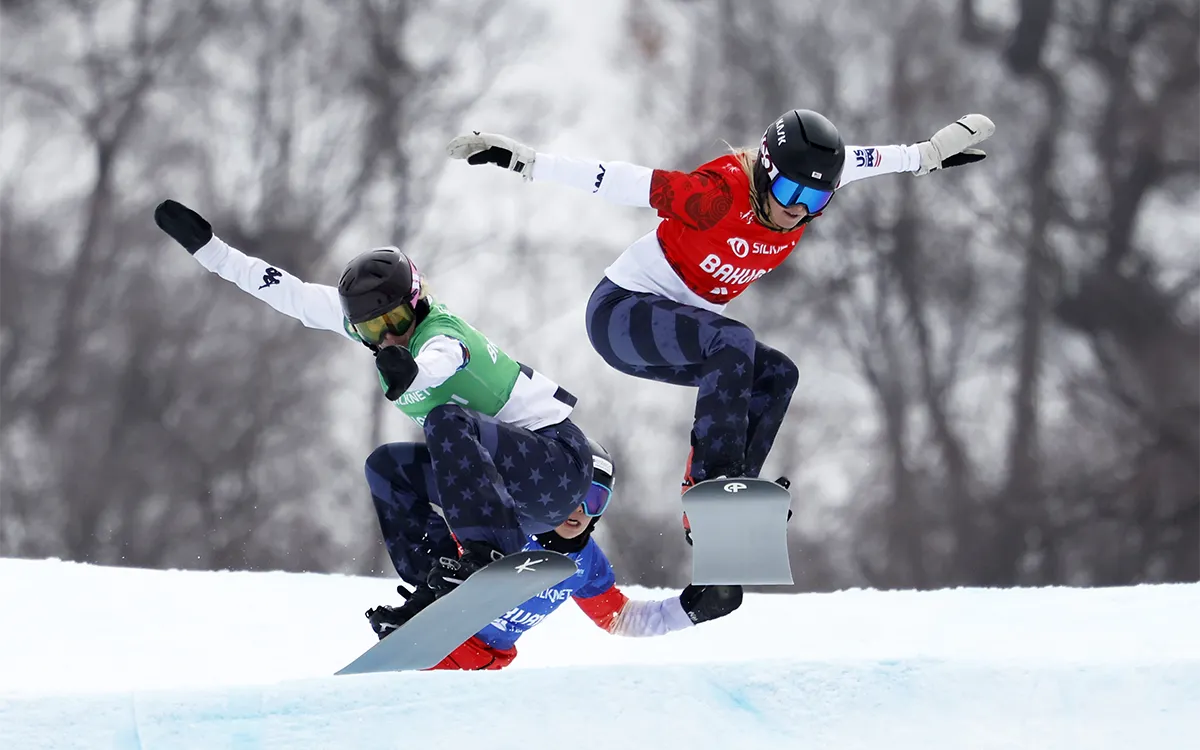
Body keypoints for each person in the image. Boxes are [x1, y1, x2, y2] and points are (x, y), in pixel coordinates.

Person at [446, 110, 995, 542]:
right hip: (622, 313)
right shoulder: (714, 196)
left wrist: (925, 155)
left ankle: (713, 504)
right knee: (735, 342)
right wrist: (527, 161)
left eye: (816, 201)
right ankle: (713, 481)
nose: (797, 211)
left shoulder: (813, 178)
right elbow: (620, 180)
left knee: (776, 374)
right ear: (768, 173)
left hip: (680, 331)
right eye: (790, 195)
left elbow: (871, 159)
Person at [153, 199, 597, 619]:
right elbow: (291, 294)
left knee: (446, 420)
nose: (388, 337)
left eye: (397, 322)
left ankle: (485, 556)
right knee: (386, 467)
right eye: (372, 328)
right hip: (505, 491)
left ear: (417, 302)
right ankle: (436, 576)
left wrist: (413, 371)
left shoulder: (441, 334)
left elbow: (443, 361)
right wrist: (212, 252)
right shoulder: (381, 339)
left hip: (558, 466)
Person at [365, 438, 743, 670]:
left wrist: (687, 611)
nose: (580, 510)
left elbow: (619, 617)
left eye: (594, 500)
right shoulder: (508, 521)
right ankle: (425, 601)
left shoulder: (587, 565)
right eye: (573, 496)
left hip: (481, 666)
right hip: (439, 641)